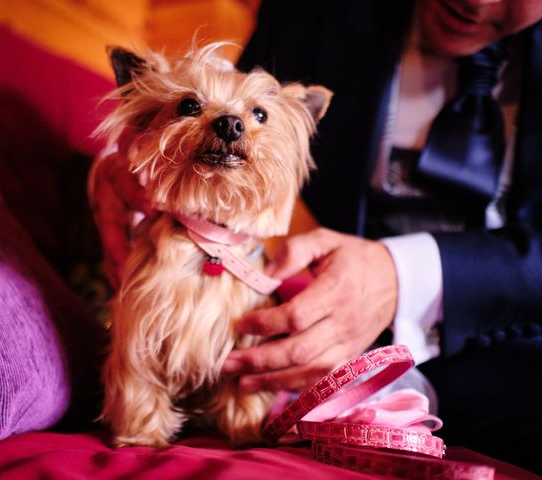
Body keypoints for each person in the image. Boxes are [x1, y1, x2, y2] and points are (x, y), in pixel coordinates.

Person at [222, 0, 542, 472]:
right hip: (331, 354)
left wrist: (400, 274)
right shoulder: (308, 11)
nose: (476, 0)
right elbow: (227, 124)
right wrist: (126, 160)